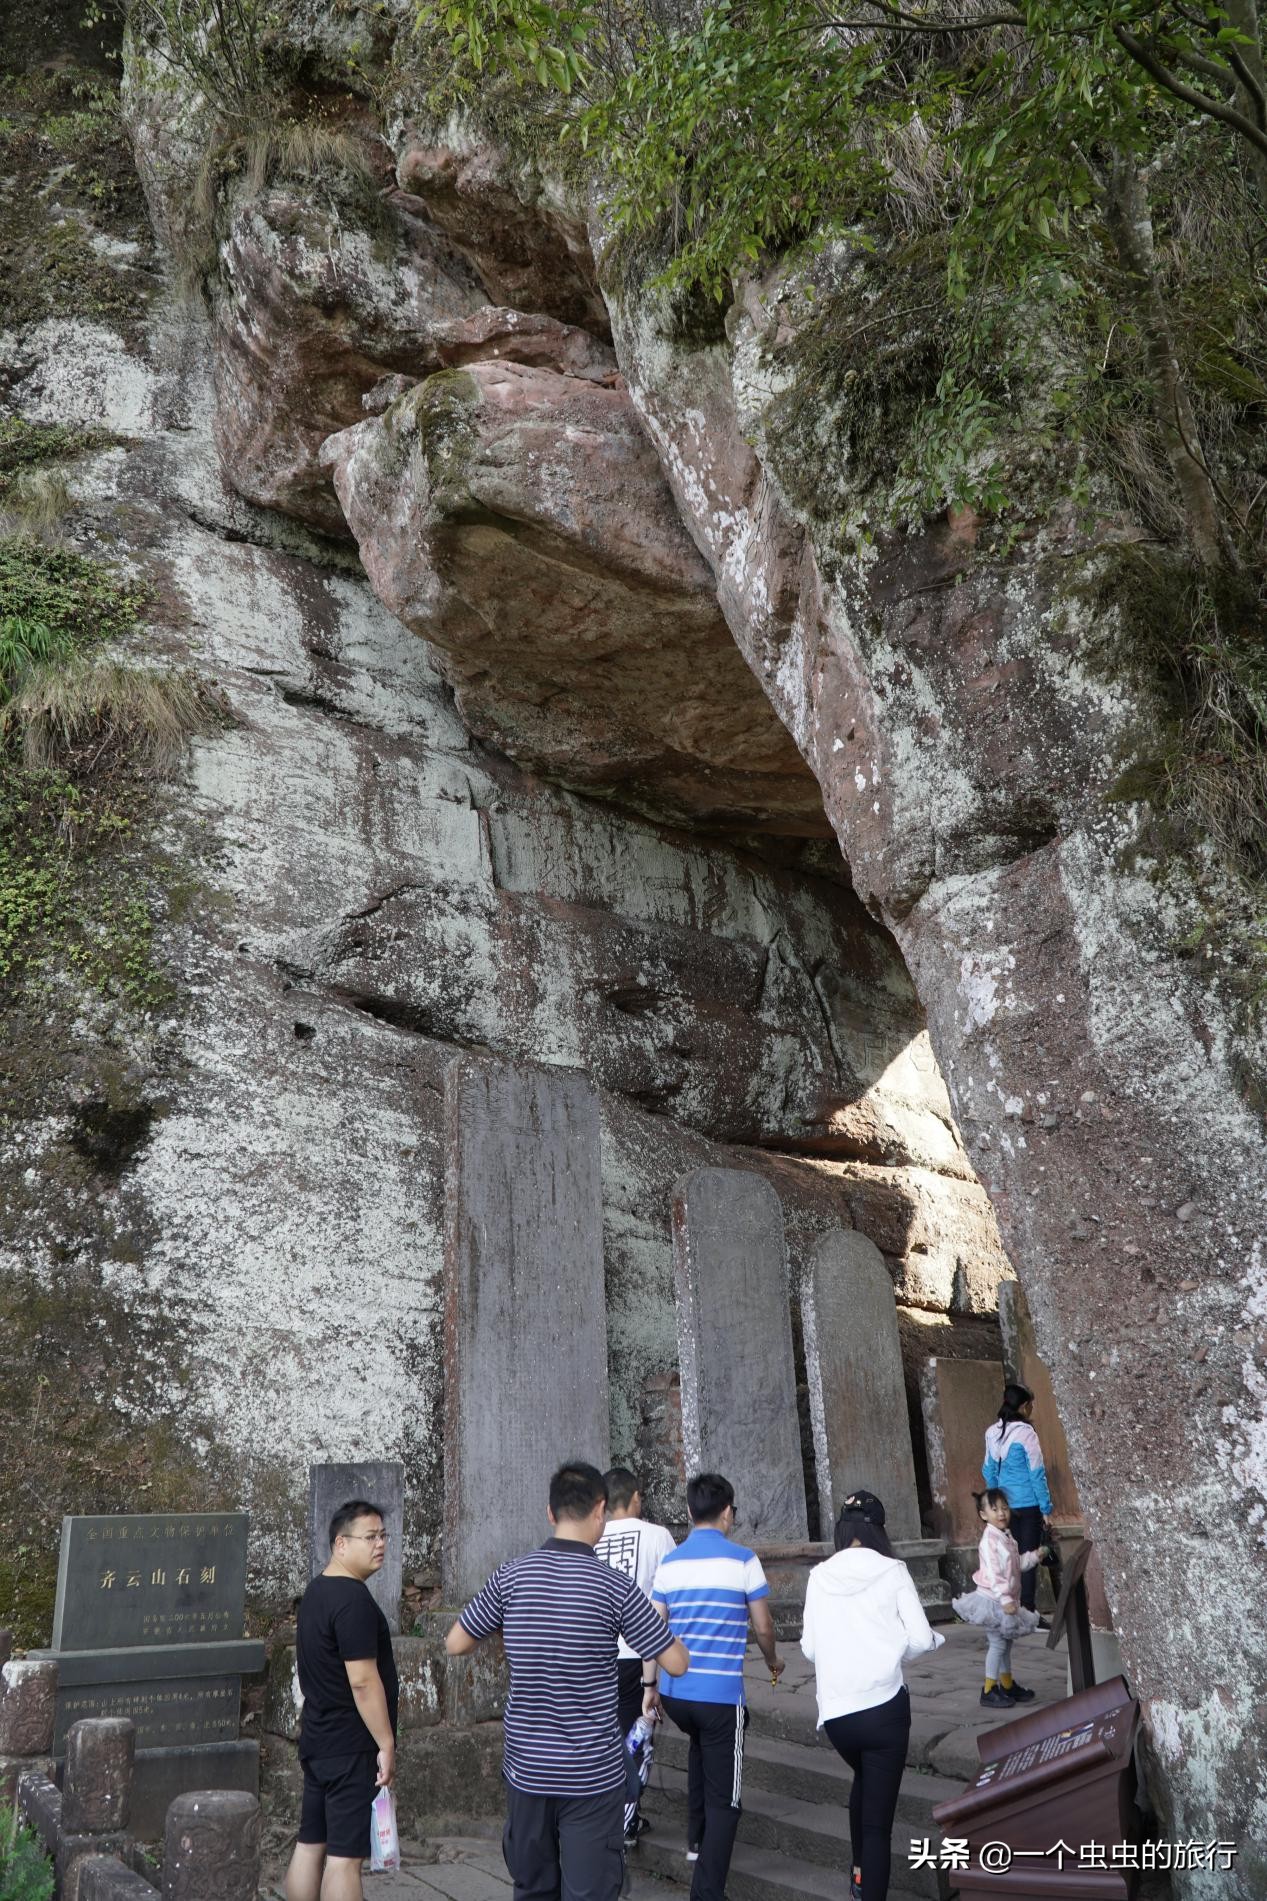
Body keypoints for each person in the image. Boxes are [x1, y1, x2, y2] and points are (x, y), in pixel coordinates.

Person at [446, 1460, 689, 1901]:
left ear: (550, 1513)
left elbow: (456, 1642)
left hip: (528, 1771)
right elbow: (676, 1662)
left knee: (534, 1890)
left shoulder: (511, 1577)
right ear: (600, 1509)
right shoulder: (614, 1586)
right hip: (592, 1776)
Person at [800, 1490, 944, 1901]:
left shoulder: (819, 1575)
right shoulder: (893, 1570)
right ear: (879, 1530)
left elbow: (809, 1648)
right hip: (884, 1712)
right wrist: (900, 1647)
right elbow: (918, 1638)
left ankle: (858, 1875)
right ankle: (868, 1882)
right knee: (878, 1827)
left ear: (842, 1529)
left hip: (839, 1716)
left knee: (863, 1781)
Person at [651, 1472, 783, 1901]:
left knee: (700, 1748)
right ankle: (707, 1891)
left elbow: (654, 1629)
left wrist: (650, 1685)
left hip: (676, 1694)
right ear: (728, 1512)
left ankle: (695, 1840)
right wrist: (773, 1661)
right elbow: (763, 1626)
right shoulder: (743, 1559)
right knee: (728, 1799)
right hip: (720, 1700)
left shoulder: (669, 1564)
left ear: (689, 1513)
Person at [286, 1500, 399, 1901]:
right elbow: (363, 1681)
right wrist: (386, 1743)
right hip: (350, 1746)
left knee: (310, 1844)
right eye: (370, 1537)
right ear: (341, 1544)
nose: (381, 1544)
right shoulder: (353, 1601)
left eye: (383, 1535)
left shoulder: (316, 1591)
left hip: (318, 1739)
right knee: (344, 1860)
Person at [594, 1466, 677, 1847]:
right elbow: (671, 1596)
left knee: (604, 1736)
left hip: (596, 1655)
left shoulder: (591, 1538)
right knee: (638, 1735)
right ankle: (625, 1815)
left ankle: (607, 1813)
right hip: (639, 1655)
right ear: (636, 1497)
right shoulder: (658, 1536)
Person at [952, 1488, 1047, 1709]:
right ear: (983, 1515)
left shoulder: (1006, 1536)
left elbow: (1016, 1565)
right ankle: (988, 1689)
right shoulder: (989, 1540)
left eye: (1004, 1508)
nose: (1001, 1513)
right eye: (994, 1509)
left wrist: (1035, 1556)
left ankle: (1006, 1684)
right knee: (997, 1644)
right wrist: (1005, 1599)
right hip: (993, 1601)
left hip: (1005, 1600)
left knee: (1005, 1643)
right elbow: (995, 1574)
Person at [982, 1382, 1053, 1613]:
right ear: (1024, 1406)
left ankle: (1009, 1604)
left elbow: (989, 1470)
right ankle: (1029, 1611)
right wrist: (1046, 1507)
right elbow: (1036, 1472)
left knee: (1008, 1559)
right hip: (1029, 1505)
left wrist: (996, 1505)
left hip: (1006, 1508)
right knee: (1028, 1559)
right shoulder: (1026, 1433)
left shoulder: (992, 1433)